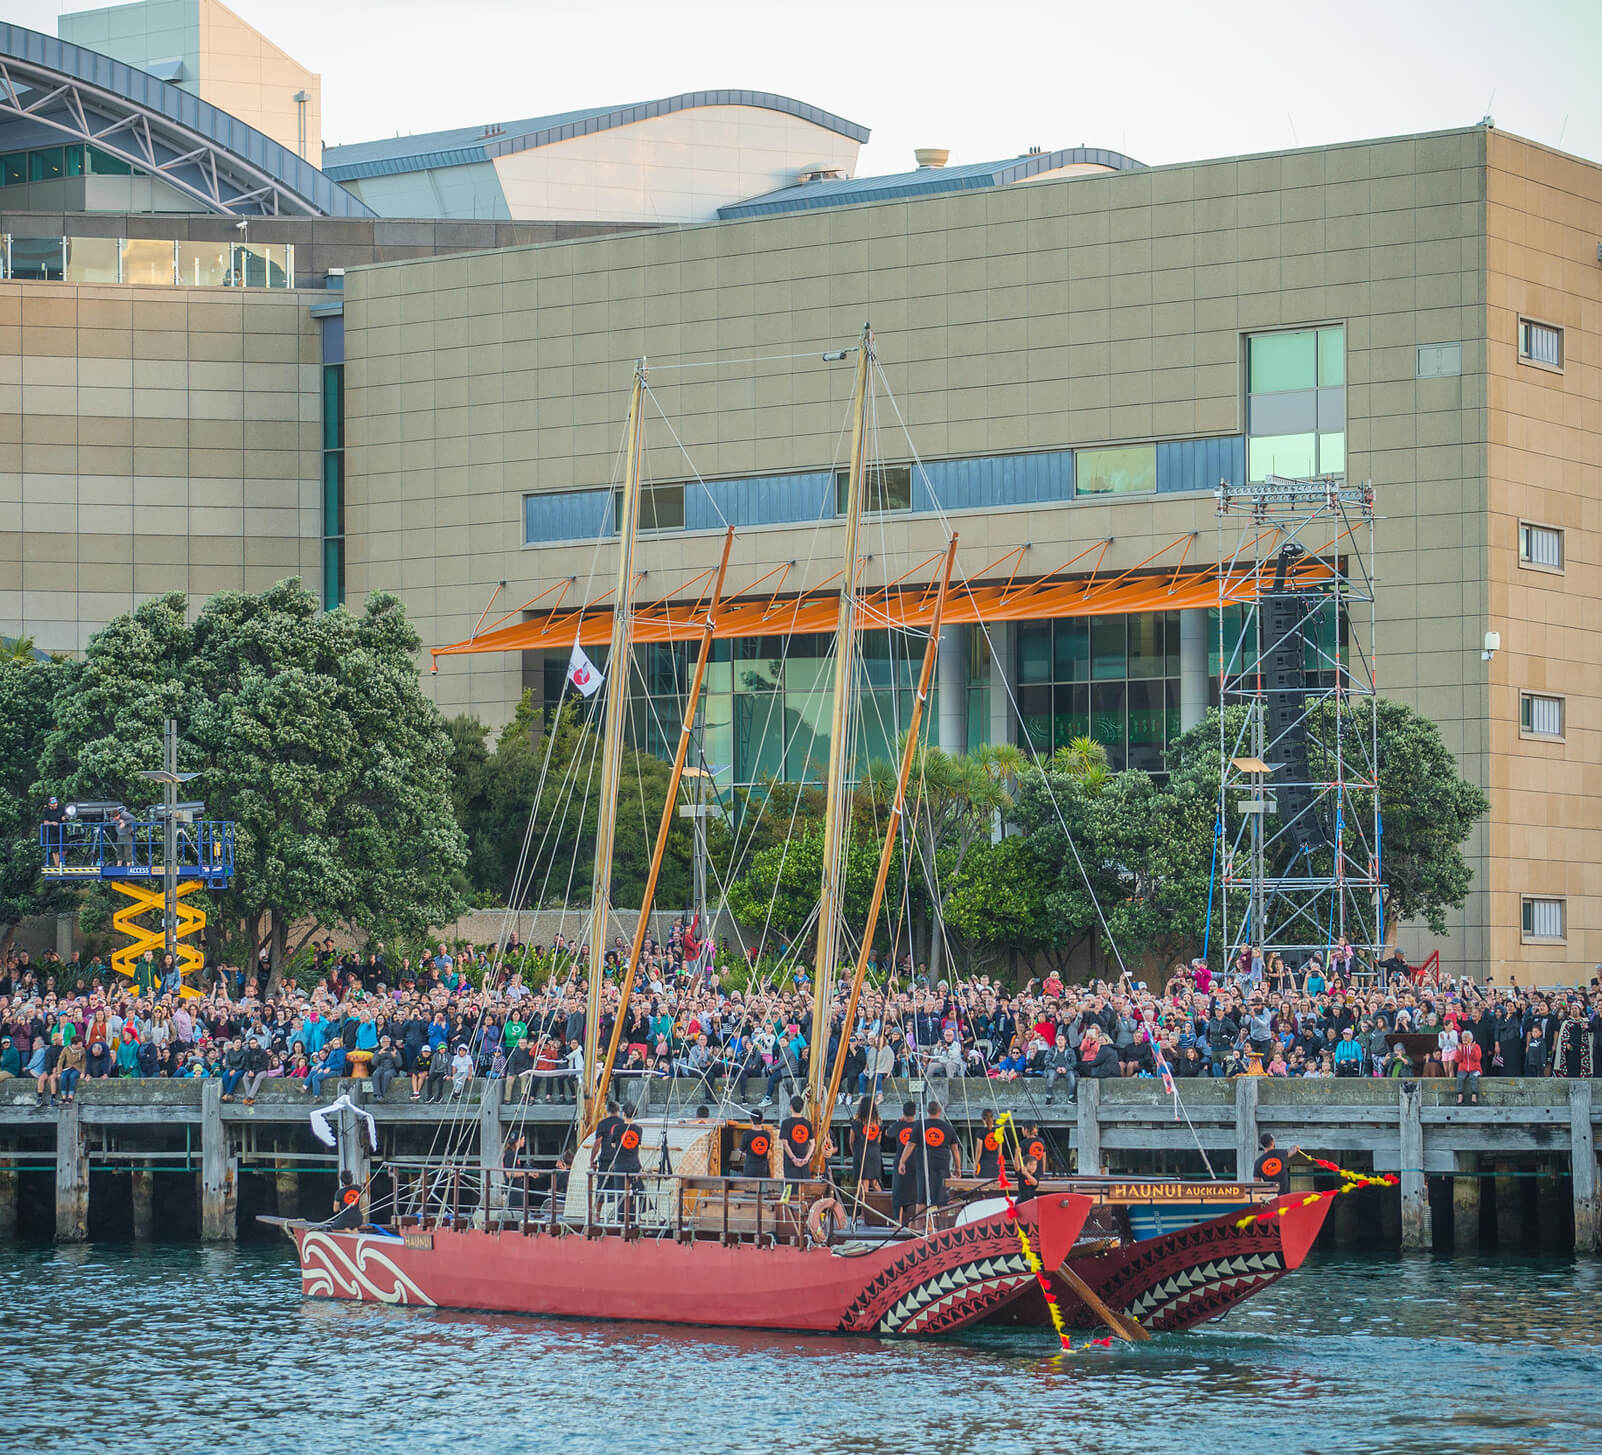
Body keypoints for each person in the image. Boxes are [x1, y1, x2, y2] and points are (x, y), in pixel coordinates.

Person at [917, 1099, 960, 1214]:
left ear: (927, 1111)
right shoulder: (948, 1128)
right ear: (940, 1111)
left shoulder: (920, 1125)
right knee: (942, 1197)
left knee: (922, 1197)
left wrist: (902, 1161)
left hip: (925, 1164)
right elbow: (955, 1150)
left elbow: (910, 1145)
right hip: (942, 1164)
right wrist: (958, 1168)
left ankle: (918, 1225)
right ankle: (941, 1225)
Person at [889, 1101, 922, 1227]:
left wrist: (898, 1121)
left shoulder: (899, 1125)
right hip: (915, 1161)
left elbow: (888, 1133)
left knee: (898, 1191)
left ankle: (898, 1221)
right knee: (915, 1191)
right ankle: (914, 1221)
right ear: (915, 1112)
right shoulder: (918, 1126)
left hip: (900, 1161)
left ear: (903, 1112)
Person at [847, 1097, 883, 1190]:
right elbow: (879, 1140)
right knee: (875, 1182)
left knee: (864, 1182)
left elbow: (851, 1141)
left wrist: (854, 1152)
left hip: (861, 1152)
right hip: (875, 1153)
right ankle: (885, 1203)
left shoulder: (856, 1123)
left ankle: (863, 1203)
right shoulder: (878, 1123)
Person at [779, 1094, 815, 1183]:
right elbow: (812, 1143)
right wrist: (806, 1159)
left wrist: (793, 1158)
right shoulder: (807, 1123)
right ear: (802, 1107)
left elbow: (785, 1143)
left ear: (791, 1107)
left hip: (790, 1163)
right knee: (804, 1191)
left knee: (791, 1190)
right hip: (804, 1162)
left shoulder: (785, 1123)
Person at [738, 1108, 773, 1179]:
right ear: (762, 1120)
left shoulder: (746, 1134)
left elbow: (740, 1152)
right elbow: (765, 1149)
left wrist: (744, 1154)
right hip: (763, 1170)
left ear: (750, 1120)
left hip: (750, 1170)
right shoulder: (767, 1135)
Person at [1456, 1033, 1483, 1106]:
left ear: (1471, 1039)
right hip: (1463, 1069)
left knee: (1473, 1077)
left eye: (1466, 1037)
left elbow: (1477, 1058)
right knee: (1460, 1077)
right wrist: (1459, 1051)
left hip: (1475, 1068)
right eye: (1463, 1037)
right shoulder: (1460, 1047)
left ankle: (1474, 1096)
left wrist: (1472, 1050)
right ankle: (1460, 1097)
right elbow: (1457, 1060)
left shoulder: (1476, 1046)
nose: (1465, 1039)